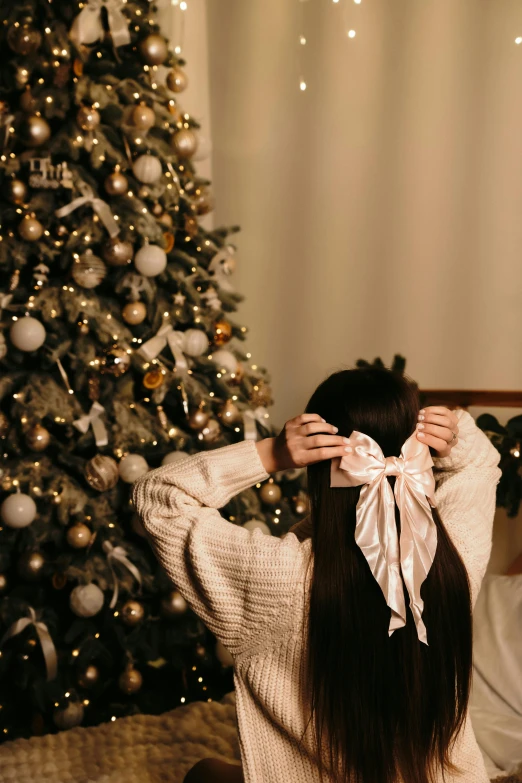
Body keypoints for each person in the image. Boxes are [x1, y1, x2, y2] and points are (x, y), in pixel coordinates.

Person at [132, 367, 501, 783]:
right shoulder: (457, 554)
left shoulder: (282, 578)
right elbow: (480, 468)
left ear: (317, 458)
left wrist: (273, 453)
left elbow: (158, 498)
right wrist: (457, 432)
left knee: (202, 774)